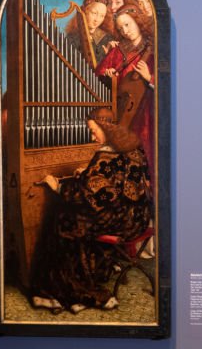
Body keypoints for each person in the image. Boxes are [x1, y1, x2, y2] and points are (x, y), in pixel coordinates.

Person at [31, 107, 152, 313]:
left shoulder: (104, 156)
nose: (91, 134)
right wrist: (87, 174)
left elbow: (88, 195)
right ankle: (95, 270)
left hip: (119, 221)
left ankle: (73, 289)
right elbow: (112, 183)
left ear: (106, 127)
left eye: (93, 130)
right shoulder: (132, 146)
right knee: (77, 220)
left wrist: (57, 185)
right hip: (138, 217)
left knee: (64, 221)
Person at [96, 4, 155, 166]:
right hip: (120, 108)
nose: (125, 31)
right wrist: (108, 75)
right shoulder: (118, 50)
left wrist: (149, 77)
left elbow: (165, 81)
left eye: (127, 24)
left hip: (145, 109)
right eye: (121, 28)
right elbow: (98, 73)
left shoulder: (153, 48)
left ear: (137, 21)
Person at [64, 0, 114, 66]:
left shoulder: (107, 38)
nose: (97, 19)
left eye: (102, 16)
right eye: (94, 13)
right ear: (85, 12)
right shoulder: (72, 37)